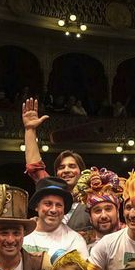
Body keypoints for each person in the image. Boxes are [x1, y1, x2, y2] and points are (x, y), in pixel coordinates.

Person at [21, 97, 91, 233]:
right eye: (61, 167)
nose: (66, 170)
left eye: (72, 166)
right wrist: (30, 130)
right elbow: (34, 166)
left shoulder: (94, 196)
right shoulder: (50, 190)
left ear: (81, 171)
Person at [24, 176, 89, 258]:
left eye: (59, 205)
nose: (53, 210)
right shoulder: (21, 233)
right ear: (37, 206)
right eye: (48, 204)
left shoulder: (74, 240)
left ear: (64, 209)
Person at [76, 166, 125, 247]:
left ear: (117, 211)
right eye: (97, 211)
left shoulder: (132, 237)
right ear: (90, 217)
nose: (103, 215)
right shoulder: (79, 243)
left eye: (108, 209)